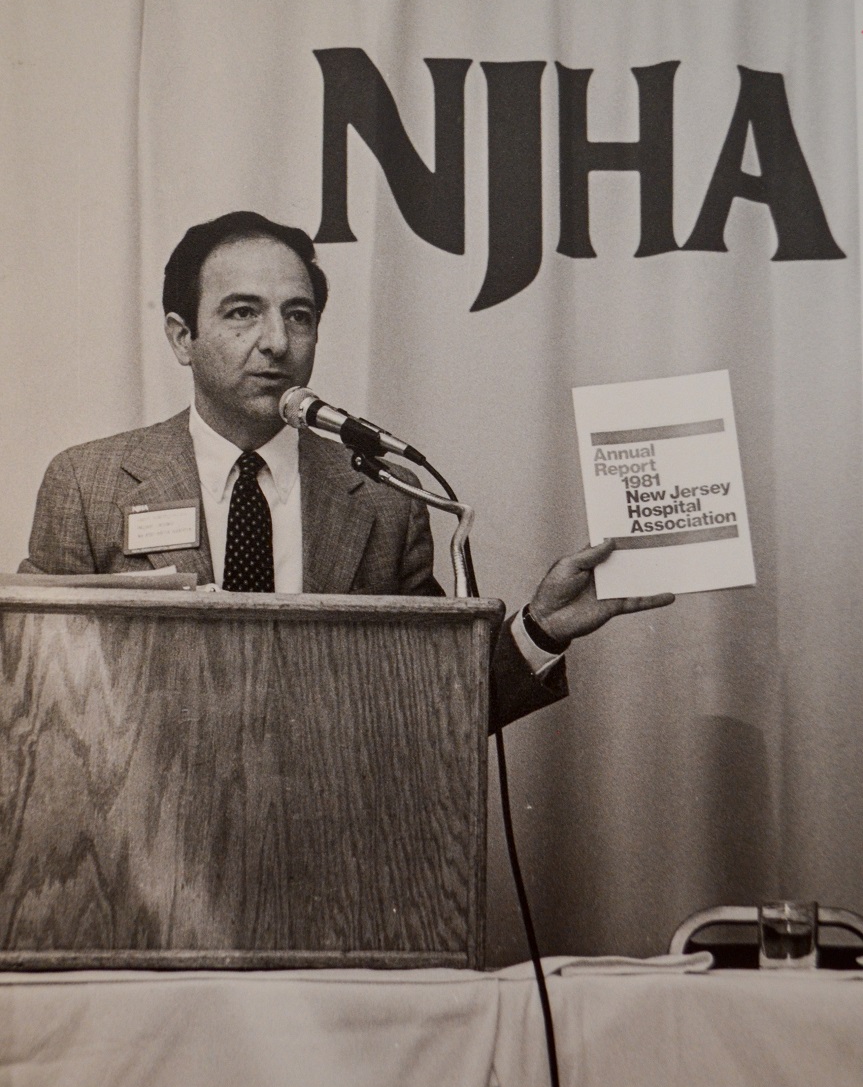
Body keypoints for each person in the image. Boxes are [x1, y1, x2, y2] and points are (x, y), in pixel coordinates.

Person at [20, 211, 673, 724]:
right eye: (242, 312)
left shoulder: (383, 498)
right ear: (181, 337)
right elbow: (28, 697)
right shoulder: (88, 485)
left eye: (297, 316)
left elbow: (437, 708)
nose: (276, 341)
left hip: (337, 856)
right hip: (141, 863)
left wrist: (539, 628)